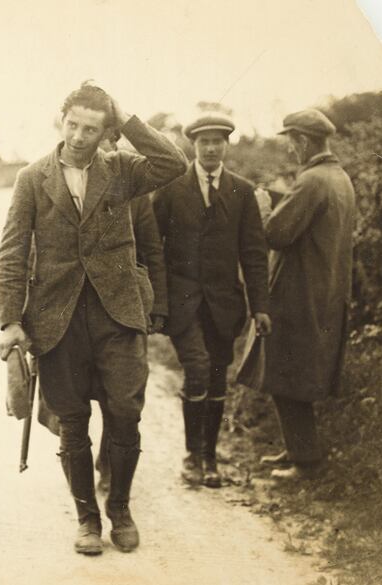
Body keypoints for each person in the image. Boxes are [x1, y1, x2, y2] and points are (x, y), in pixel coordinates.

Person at [0, 83, 186, 555]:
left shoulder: (121, 170)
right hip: (56, 319)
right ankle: (87, 519)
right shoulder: (32, 178)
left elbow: (173, 164)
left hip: (117, 313)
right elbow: (12, 254)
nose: (80, 136)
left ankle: (119, 508)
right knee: (73, 422)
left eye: (92, 128)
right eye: (72, 124)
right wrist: (9, 321)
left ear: (106, 132)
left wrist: (129, 124)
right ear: (60, 121)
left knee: (126, 413)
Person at [152, 113, 271, 489]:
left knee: (219, 378)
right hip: (183, 302)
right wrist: (156, 302)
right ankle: (191, 455)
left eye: (218, 141)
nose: (211, 148)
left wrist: (260, 307)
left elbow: (253, 254)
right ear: (193, 145)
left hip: (225, 305)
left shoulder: (242, 191)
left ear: (226, 146)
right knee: (199, 368)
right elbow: (154, 249)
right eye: (204, 141)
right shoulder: (171, 190)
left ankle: (210, 456)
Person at [238, 109, 355, 480]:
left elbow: (277, 234)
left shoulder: (312, 181)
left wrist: (263, 208)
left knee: (288, 376)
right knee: (293, 375)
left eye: (291, 141)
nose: (290, 149)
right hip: (324, 294)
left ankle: (306, 462)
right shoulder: (338, 178)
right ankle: (297, 452)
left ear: (303, 140)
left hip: (300, 294)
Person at [93, 129, 168, 493]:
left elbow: (153, 249)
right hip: (83, 304)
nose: (105, 152)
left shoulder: (135, 193)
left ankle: (109, 462)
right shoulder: (67, 183)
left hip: (125, 303)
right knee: (78, 392)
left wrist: (159, 306)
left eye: (111, 143)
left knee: (119, 393)